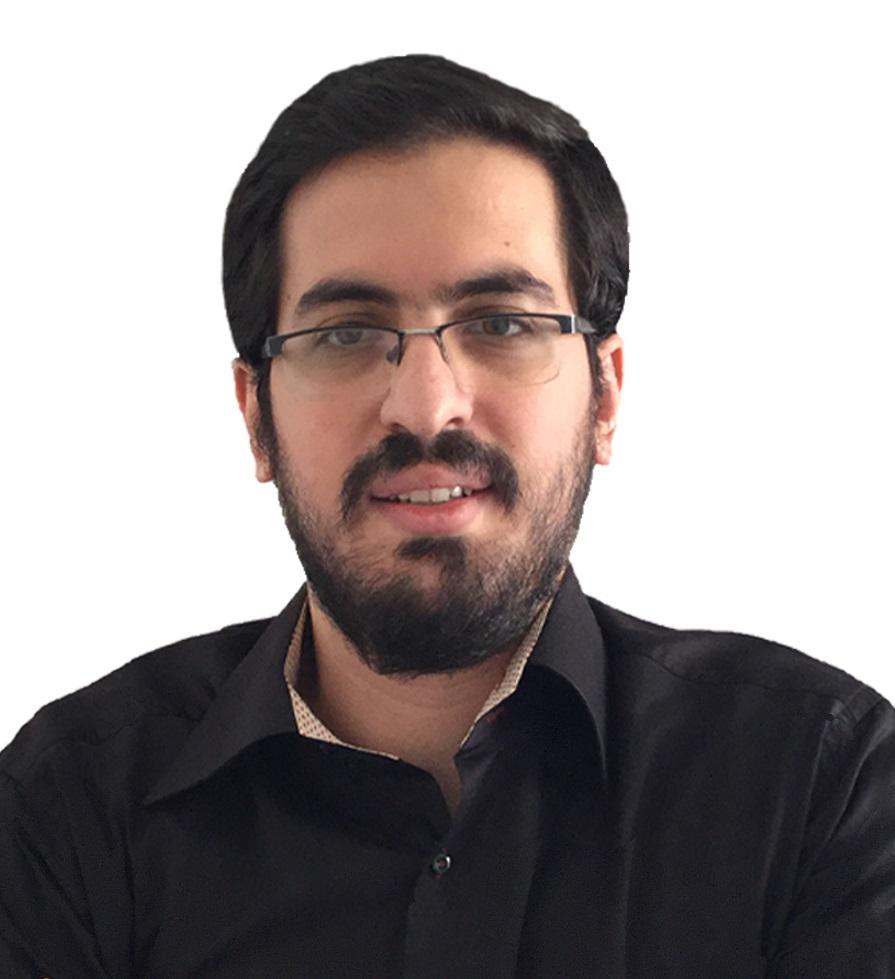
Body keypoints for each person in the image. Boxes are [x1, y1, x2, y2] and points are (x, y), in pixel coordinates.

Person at [1, 53, 892, 978]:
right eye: (345, 333)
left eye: (501, 323)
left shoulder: (817, 786)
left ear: (604, 396)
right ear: (255, 416)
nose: (426, 407)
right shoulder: (70, 812)